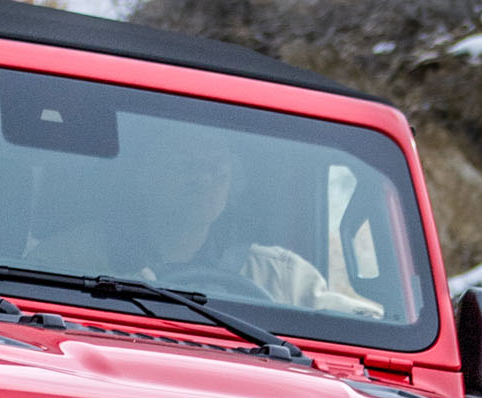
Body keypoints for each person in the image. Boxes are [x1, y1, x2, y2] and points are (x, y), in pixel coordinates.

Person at [25, 126, 384, 319]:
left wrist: (380, 320)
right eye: (185, 162)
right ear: (143, 172)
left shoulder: (280, 277)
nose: (204, 178)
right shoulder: (67, 262)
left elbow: (358, 330)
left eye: (217, 166)